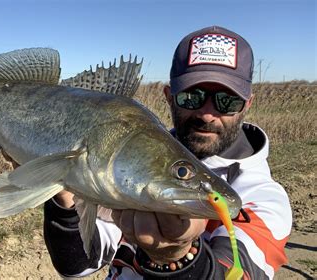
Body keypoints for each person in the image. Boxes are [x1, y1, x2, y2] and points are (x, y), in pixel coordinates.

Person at [43, 26, 292, 279]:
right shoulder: (127, 165)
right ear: (169, 97)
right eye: (191, 97)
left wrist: (179, 257)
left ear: (247, 104)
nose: (207, 114)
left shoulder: (263, 198)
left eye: (227, 101)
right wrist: (63, 199)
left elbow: (243, 273)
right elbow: (79, 265)